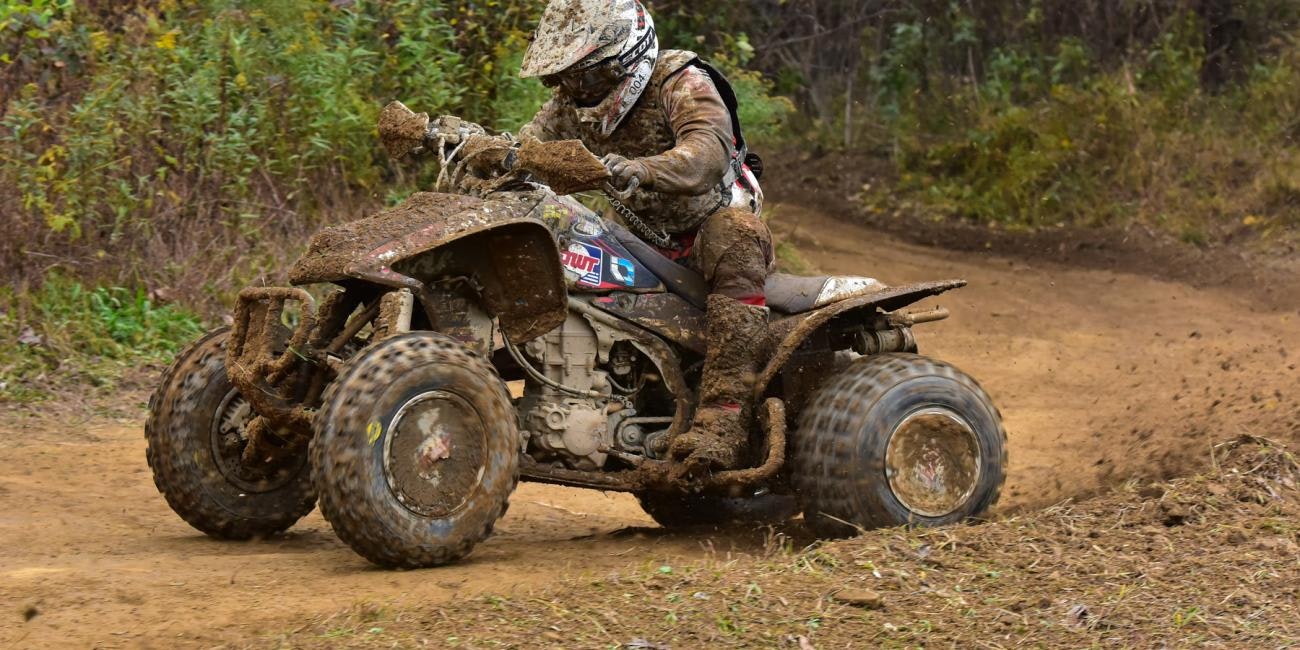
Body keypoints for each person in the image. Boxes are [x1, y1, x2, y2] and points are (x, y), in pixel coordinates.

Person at [518, 0, 773, 478]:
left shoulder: (681, 82)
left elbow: (706, 152)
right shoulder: (571, 105)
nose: (570, 90)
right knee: (559, 228)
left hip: (710, 226)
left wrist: (645, 168)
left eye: (581, 77)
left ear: (622, 61)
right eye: (561, 78)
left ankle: (723, 420)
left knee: (733, 237)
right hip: (636, 235)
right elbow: (528, 148)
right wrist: (490, 156)